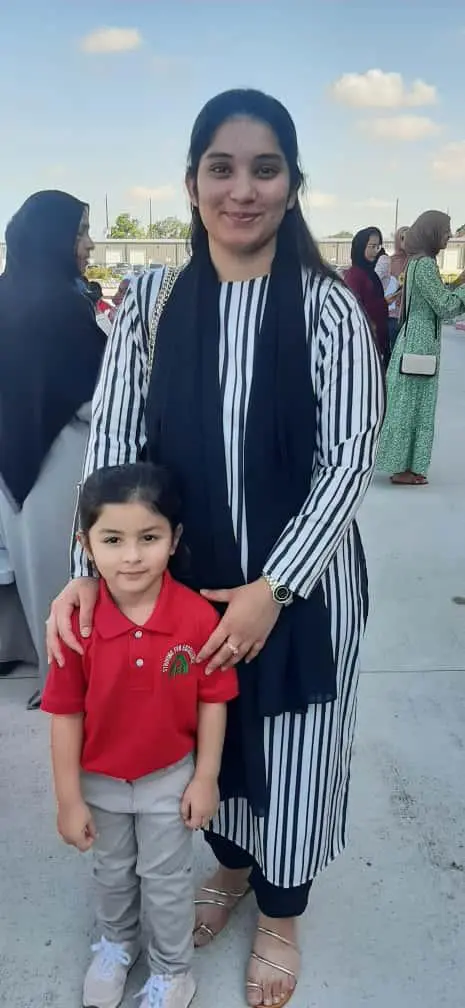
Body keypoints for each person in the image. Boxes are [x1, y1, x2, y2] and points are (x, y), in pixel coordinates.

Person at [46, 89, 384, 1008]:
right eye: (221, 168)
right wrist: (88, 573)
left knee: (296, 747)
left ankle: (281, 911)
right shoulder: (152, 302)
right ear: (191, 182)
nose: (242, 190)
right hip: (182, 591)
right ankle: (230, 866)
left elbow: (349, 456)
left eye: (264, 169)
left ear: (292, 183)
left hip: (301, 590)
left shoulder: (325, 309)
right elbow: (115, 443)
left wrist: (275, 586)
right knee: (208, 736)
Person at [41, 462, 238, 1008]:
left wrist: (205, 777)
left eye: (148, 538)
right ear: (86, 545)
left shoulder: (196, 619)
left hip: (169, 779)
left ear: (174, 539)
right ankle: (116, 945)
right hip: (100, 781)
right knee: (112, 872)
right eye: (112, 539)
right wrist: (68, 799)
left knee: (167, 879)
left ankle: (173, 971)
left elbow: (213, 700)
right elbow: (65, 715)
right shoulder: (76, 626)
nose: (131, 556)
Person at [0, 190, 104, 708]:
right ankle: (66, 683)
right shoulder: (61, 305)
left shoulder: (8, 292)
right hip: (61, 457)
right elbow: (97, 396)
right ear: (52, 238)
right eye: (80, 232)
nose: (89, 244)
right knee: (67, 575)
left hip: (13, 459)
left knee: (30, 570)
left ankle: (40, 664)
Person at [377, 211, 465, 485]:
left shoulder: (418, 262)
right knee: (415, 406)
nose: (449, 235)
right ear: (430, 232)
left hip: (417, 336)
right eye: (445, 230)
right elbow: (445, 306)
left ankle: (408, 466)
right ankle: (404, 469)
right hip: (420, 340)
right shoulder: (425, 265)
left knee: (412, 405)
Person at [344, 227, 389, 359]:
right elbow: (354, 307)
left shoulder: (371, 273)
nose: (376, 251)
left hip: (376, 340)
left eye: (378, 247)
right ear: (361, 246)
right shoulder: (354, 275)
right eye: (372, 246)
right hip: (364, 341)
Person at [387, 226, 409, 353]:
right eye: (402, 238)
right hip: (392, 314)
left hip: (409, 314)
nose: (406, 241)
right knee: (393, 352)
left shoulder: (415, 261)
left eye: (409, 237)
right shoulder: (390, 261)